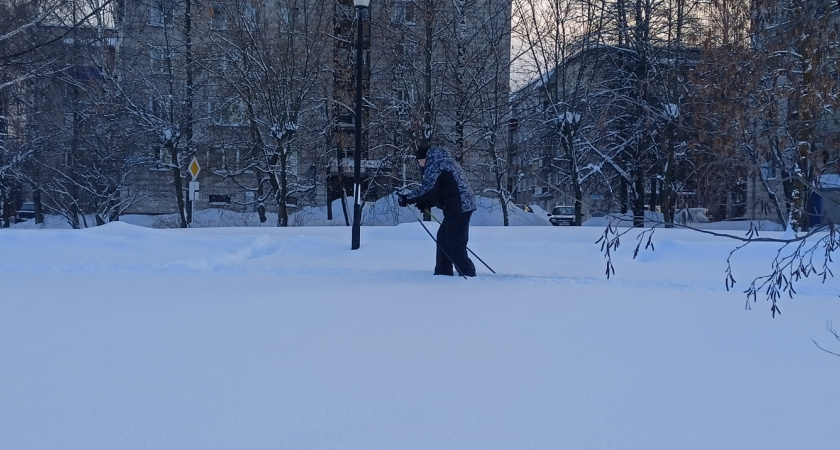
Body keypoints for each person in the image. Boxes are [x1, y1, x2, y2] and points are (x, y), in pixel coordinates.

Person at [398, 146, 477, 277]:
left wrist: (407, 199)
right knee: (443, 238)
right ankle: (443, 272)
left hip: (460, 206)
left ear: (424, 158)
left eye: (419, 161)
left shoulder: (435, 163)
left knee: (454, 241)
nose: (420, 164)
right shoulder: (444, 161)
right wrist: (426, 203)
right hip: (458, 206)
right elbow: (443, 188)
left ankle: (467, 272)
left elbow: (428, 187)